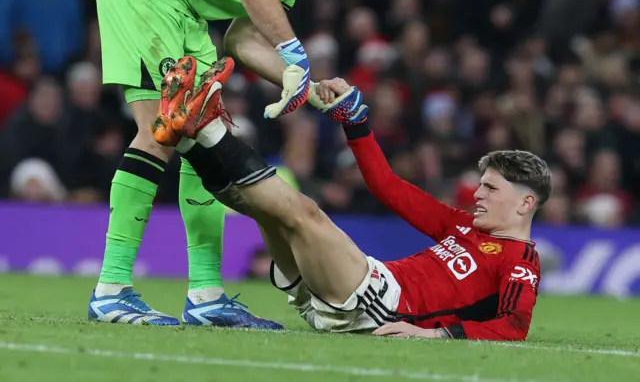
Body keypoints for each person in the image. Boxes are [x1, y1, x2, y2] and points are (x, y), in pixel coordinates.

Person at [90, 0, 411, 327]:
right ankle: (111, 289)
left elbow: (240, 38)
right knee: (161, 133)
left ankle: (205, 294)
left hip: (178, 4)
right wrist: (295, 53)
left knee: (203, 134)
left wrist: (305, 84)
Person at [152, 55, 548, 340]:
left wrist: (436, 336)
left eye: (491, 188)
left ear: (525, 204)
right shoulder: (462, 224)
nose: (477, 194)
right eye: (480, 184)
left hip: (380, 305)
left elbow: (514, 326)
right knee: (264, 210)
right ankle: (191, 138)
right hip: (352, 291)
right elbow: (386, 187)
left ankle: (209, 131)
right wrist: (356, 125)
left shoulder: (519, 260)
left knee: (305, 211)